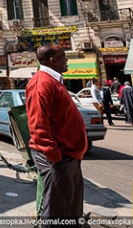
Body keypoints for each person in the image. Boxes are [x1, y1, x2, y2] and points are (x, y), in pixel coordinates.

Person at [26, 44, 87, 226]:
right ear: (53, 60)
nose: (66, 60)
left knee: (70, 209)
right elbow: (39, 126)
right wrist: (55, 157)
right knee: (57, 214)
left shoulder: (53, 81)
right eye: (63, 56)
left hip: (68, 156)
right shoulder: (42, 83)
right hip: (58, 159)